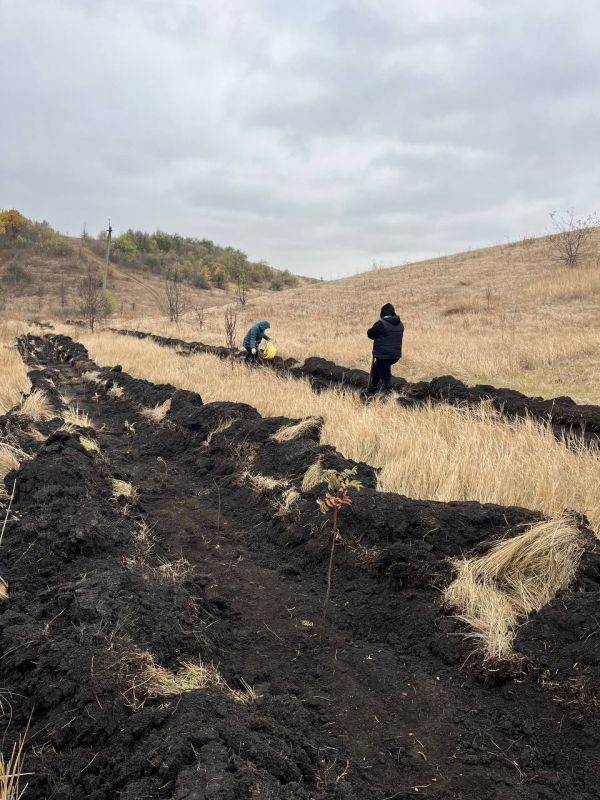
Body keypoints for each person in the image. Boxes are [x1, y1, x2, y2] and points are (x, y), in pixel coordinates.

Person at [366, 303, 404, 395]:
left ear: (382, 313)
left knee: (384, 373)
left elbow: (370, 334)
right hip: (396, 355)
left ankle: (389, 393)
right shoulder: (400, 324)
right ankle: (372, 388)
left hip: (383, 355)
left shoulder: (381, 324)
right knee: (377, 367)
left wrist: (370, 330)